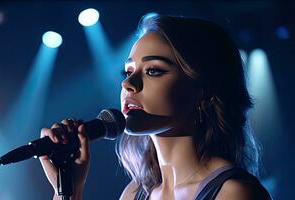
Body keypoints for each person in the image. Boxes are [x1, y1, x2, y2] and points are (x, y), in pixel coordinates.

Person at [39, 14, 272, 200]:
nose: (128, 84)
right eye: (128, 72)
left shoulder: (235, 194)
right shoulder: (134, 194)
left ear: (205, 92)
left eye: (153, 71)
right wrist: (67, 189)